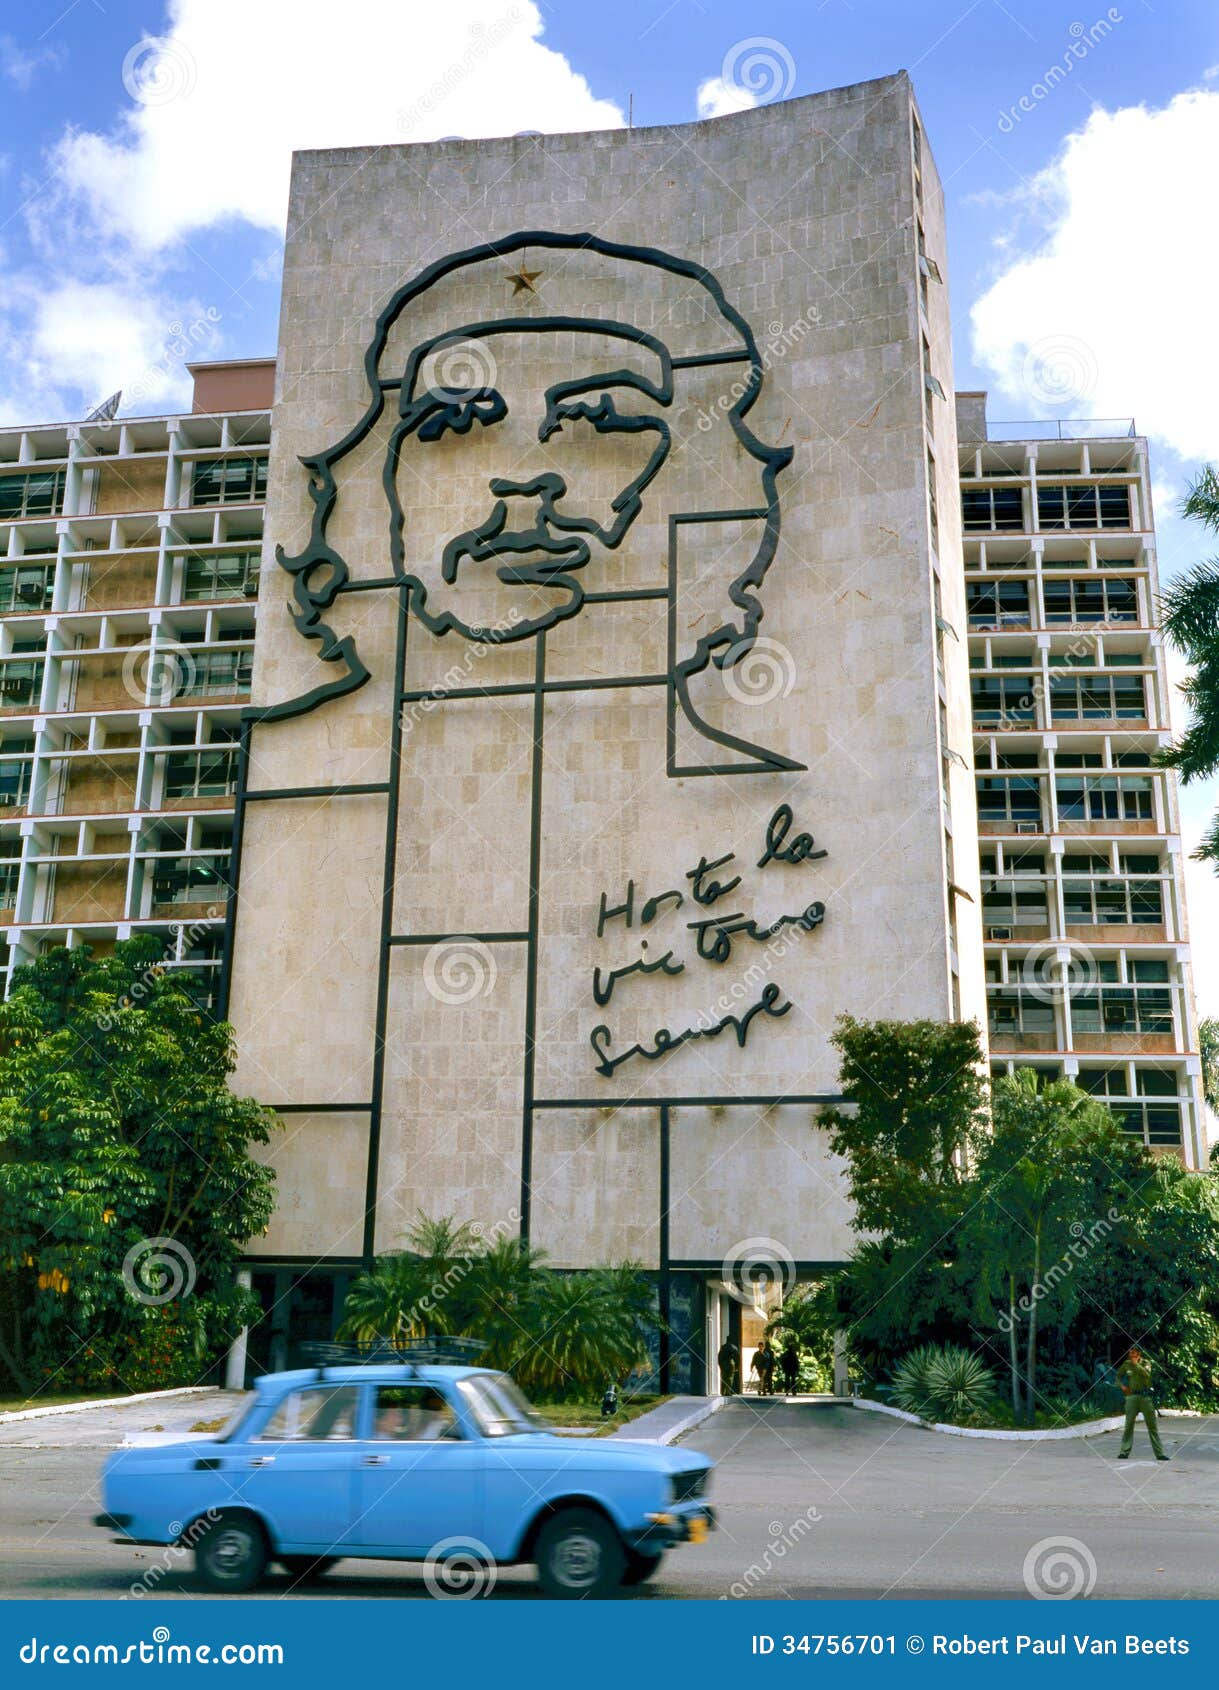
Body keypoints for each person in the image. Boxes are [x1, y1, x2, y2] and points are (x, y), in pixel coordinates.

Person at [1115, 1346, 1169, 1461]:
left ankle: (1159, 1453)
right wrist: (1122, 1386)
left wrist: (1136, 1364)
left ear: (1138, 1353)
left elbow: (1147, 1375)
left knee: (1152, 1426)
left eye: (1133, 1352)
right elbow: (1118, 1376)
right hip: (1132, 1397)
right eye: (1129, 1352)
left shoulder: (1146, 1363)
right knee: (1128, 1425)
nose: (1130, 1354)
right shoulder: (1126, 1364)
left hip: (1145, 1397)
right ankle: (1124, 1451)